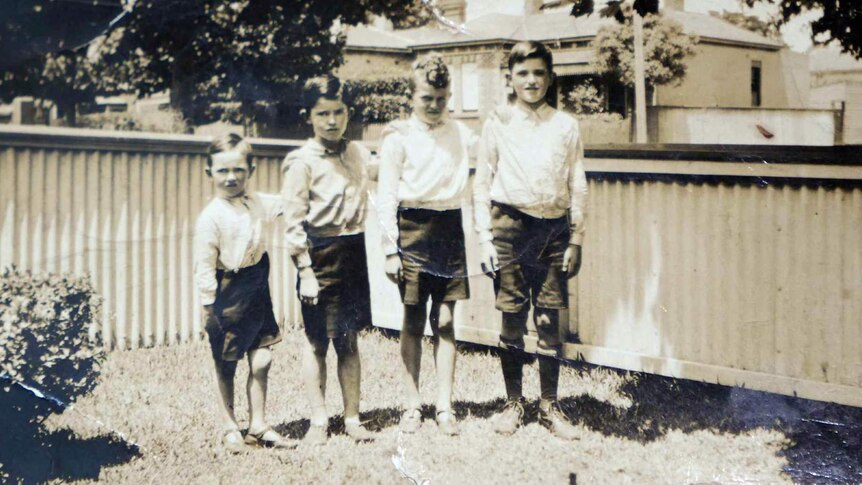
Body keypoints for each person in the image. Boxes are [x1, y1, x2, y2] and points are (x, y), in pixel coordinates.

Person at [473, 41, 588, 440]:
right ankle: (513, 403)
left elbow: (578, 181)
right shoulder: (498, 122)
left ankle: (549, 406)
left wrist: (576, 238)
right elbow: (482, 181)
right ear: (510, 79)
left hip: (553, 230)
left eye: (539, 72)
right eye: (523, 73)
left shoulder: (566, 125)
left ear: (550, 76)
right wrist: (485, 239)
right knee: (512, 316)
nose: (532, 80)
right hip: (508, 227)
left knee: (549, 318)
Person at [377, 54, 476, 436]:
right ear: (411, 96)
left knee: (447, 321)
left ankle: (444, 405)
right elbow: (386, 195)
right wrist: (390, 249)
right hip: (412, 229)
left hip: (450, 228)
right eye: (426, 99)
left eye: (442, 98)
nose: (435, 106)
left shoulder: (462, 133)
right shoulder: (397, 136)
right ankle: (411, 404)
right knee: (414, 319)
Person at [282, 75, 377, 445]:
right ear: (310, 116)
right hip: (318, 255)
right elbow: (293, 224)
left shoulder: (356, 153)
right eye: (323, 114)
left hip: (353, 250)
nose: (332, 121)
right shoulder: (300, 162)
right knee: (317, 341)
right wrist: (305, 271)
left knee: (350, 340)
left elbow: (382, 178)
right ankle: (319, 420)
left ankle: (352, 417)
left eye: (338, 112)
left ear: (348, 112)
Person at [194, 133, 293, 453]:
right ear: (208, 172)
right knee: (227, 362)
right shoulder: (211, 217)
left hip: (256, 285)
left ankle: (258, 425)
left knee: (262, 358)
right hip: (227, 291)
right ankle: (229, 426)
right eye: (222, 171)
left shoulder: (258, 202)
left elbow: (290, 201)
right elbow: (205, 265)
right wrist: (209, 306)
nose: (231, 177)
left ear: (251, 169)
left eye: (238, 169)